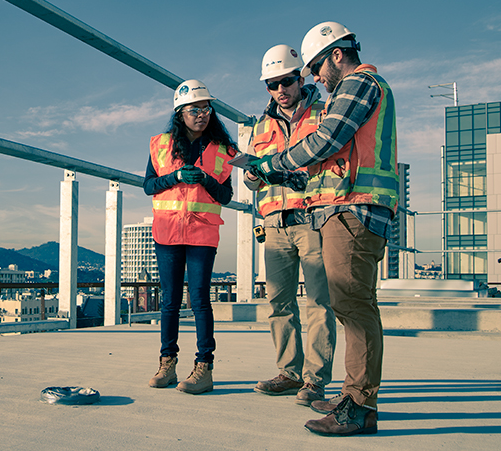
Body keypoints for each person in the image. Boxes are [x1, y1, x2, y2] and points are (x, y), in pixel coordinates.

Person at [242, 22, 398, 437]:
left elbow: (326, 140)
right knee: (350, 305)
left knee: (352, 306)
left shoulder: (359, 84)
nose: (315, 79)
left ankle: (358, 405)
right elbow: (330, 159)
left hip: (355, 211)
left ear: (335, 55)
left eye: (312, 69)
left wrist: (273, 165)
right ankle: (353, 396)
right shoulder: (351, 90)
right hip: (338, 210)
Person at [245, 45, 337, 407]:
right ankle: (289, 372)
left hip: (312, 218)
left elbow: (329, 157)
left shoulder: (322, 113)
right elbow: (252, 181)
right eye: (272, 84)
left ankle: (315, 381)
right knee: (279, 302)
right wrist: (254, 174)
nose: (280, 89)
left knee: (318, 303)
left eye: (286, 81)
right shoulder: (261, 125)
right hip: (274, 224)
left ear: (300, 78)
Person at [143, 79, 237, 395]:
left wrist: (207, 181)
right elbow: (149, 186)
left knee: (199, 299)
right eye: (194, 109)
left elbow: (225, 195)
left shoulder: (224, 150)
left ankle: (204, 367)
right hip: (167, 232)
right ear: (180, 113)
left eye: (206, 108)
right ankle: (167, 363)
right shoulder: (160, 145)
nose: (202, 114)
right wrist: (176, 177)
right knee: (169, 301)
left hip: (202, 233)